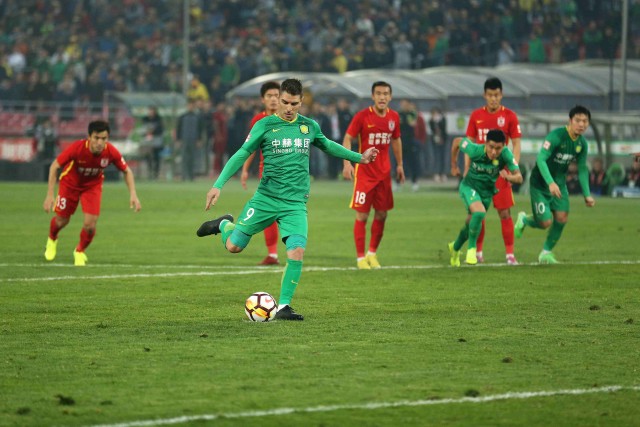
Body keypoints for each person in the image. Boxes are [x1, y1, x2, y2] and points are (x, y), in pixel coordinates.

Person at [197, 78, 379, 321]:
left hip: (294, 204)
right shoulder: (264, 125)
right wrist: (218, 185)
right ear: (279, 99)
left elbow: (328, 146)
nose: (289, 108)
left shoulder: (309, 126)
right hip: (266, 199)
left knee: (296, 251)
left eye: (294, 103)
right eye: (285, 102)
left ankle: (283, 306)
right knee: (234, 246)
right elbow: (242, 153)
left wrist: (360, 158)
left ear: (301, 101)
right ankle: (223, 225)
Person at [43, 120, 142, 266]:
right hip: (70, 184)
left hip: (92, 187)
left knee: (90, 225)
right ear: (89, 137)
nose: (100, 142)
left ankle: (79, 251)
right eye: (96, 138)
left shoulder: (110, 151)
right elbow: (54, 166)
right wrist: (50, 195)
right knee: (61, 221)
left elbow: (127, 171)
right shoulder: (77, 148)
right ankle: (52, 238)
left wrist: (133, 194)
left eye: (104, 138)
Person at [453, 77, 522, 265]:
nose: (493, 99)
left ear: (501, 95)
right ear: (485, 95)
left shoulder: (510, 116)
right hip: (480, 174)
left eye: (497, 95)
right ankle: (478, 252)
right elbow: (469, 142)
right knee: (479, 213)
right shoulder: (476, 115)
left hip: (501, 173)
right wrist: (466, 168)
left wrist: (512, 168)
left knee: (505, 213)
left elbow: (516, 144)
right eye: (490, 95)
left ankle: (510, 254)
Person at [514, 105, 595, 264]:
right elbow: (541, 159)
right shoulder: (556, 136)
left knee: (562, 217)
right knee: (545, 223)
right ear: (570, 120)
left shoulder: (582, 144)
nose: (581, 124)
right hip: (540, 183)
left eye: (585, 121)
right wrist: (550, 182)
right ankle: (524, 220)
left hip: (559, 184)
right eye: (578, 120)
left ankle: (546, 253)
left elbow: (582, 169)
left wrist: (587, 194)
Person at [342, 81, 404, 270]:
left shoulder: (394, 117)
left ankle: (372, 254)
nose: (382, 97)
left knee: (382, 214)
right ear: (373, 96)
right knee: (362, 215)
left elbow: (396, 140)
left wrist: (400, 165)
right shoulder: (362, 116)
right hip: (365, 175)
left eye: (385, 94)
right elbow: (348, 138)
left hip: (384, 174)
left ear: (390, 97)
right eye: (378, 93)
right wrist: (347, 163)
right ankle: (360, 258)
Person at [449, 129, 522, 266]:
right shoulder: (475, 150)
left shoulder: (506, 154)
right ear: (485, 143)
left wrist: (509, 177)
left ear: (503, 146)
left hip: (487, 193)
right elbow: (456, 142)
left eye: (498, 148)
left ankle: (455, 248)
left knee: (470, 224)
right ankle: (472, 250)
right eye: (491, 147)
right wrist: (454, 166)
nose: (494, 152)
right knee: (479, 212)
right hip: (469, 186)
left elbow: (519, 177)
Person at [239, 81, 281, 266]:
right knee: (270, 212)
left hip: (289, 171)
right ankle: (273, 254)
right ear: (263, 99)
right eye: (269, 96)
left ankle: (285, 252)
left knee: (285, 211)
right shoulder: (258, 120)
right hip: (268, 172)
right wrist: (245, 170)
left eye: (276, 96)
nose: (273, 99)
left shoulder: (289, 118)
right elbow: (251, 147)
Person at [175, 98, 204, 181]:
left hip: (194, 140)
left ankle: (191, 176)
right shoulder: (182, 117)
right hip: (184, 139)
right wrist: (178, 140)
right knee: (184, 158)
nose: (190, 107)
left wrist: (199, 140)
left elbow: (200, 129)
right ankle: (184, 175)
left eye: (192, 105)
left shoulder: (197, 117)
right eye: (189, 105)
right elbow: (178, 129)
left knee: (192, 158)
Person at [142, 106, 164, 180]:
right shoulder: (145, 119)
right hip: (147, 141)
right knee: (147, 156)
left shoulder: (159, 119)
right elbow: (143, 129)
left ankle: (156, 172)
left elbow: (161, 130)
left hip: (156, 141)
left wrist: (153, 132)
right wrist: (147, 133)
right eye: (150, 111)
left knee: (156, 156)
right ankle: (150, 171)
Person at [428, 107, 448, 182]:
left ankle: (443, 173)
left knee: (443, 157)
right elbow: (432, 129)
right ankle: (436, 173)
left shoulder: (443, 119)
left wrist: (438, 122)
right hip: (435, 140)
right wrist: (434, 122)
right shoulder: (431, 121)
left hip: (443, 140)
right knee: (436, 157)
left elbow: (444, 128)